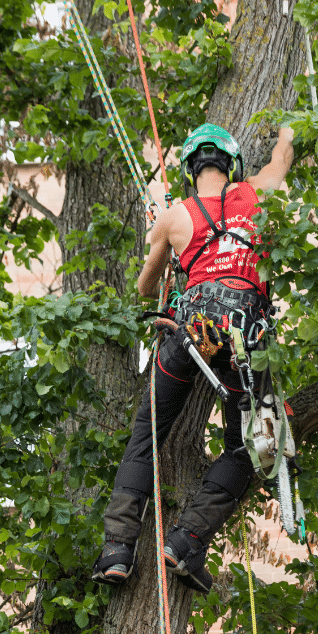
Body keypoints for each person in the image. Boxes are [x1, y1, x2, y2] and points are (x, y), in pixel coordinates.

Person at [92, 122, 295, 593]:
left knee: (146, 436)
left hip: (192, 334)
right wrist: (286, 134)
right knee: (248, 447)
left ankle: (118, 550)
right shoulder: (258, 193)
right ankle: (186, 540)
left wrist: (164, 234)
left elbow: (146, 287)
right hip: (244, 339)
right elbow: (281, 160)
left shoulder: (174, 217)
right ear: (232, 165)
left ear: (190, 170)